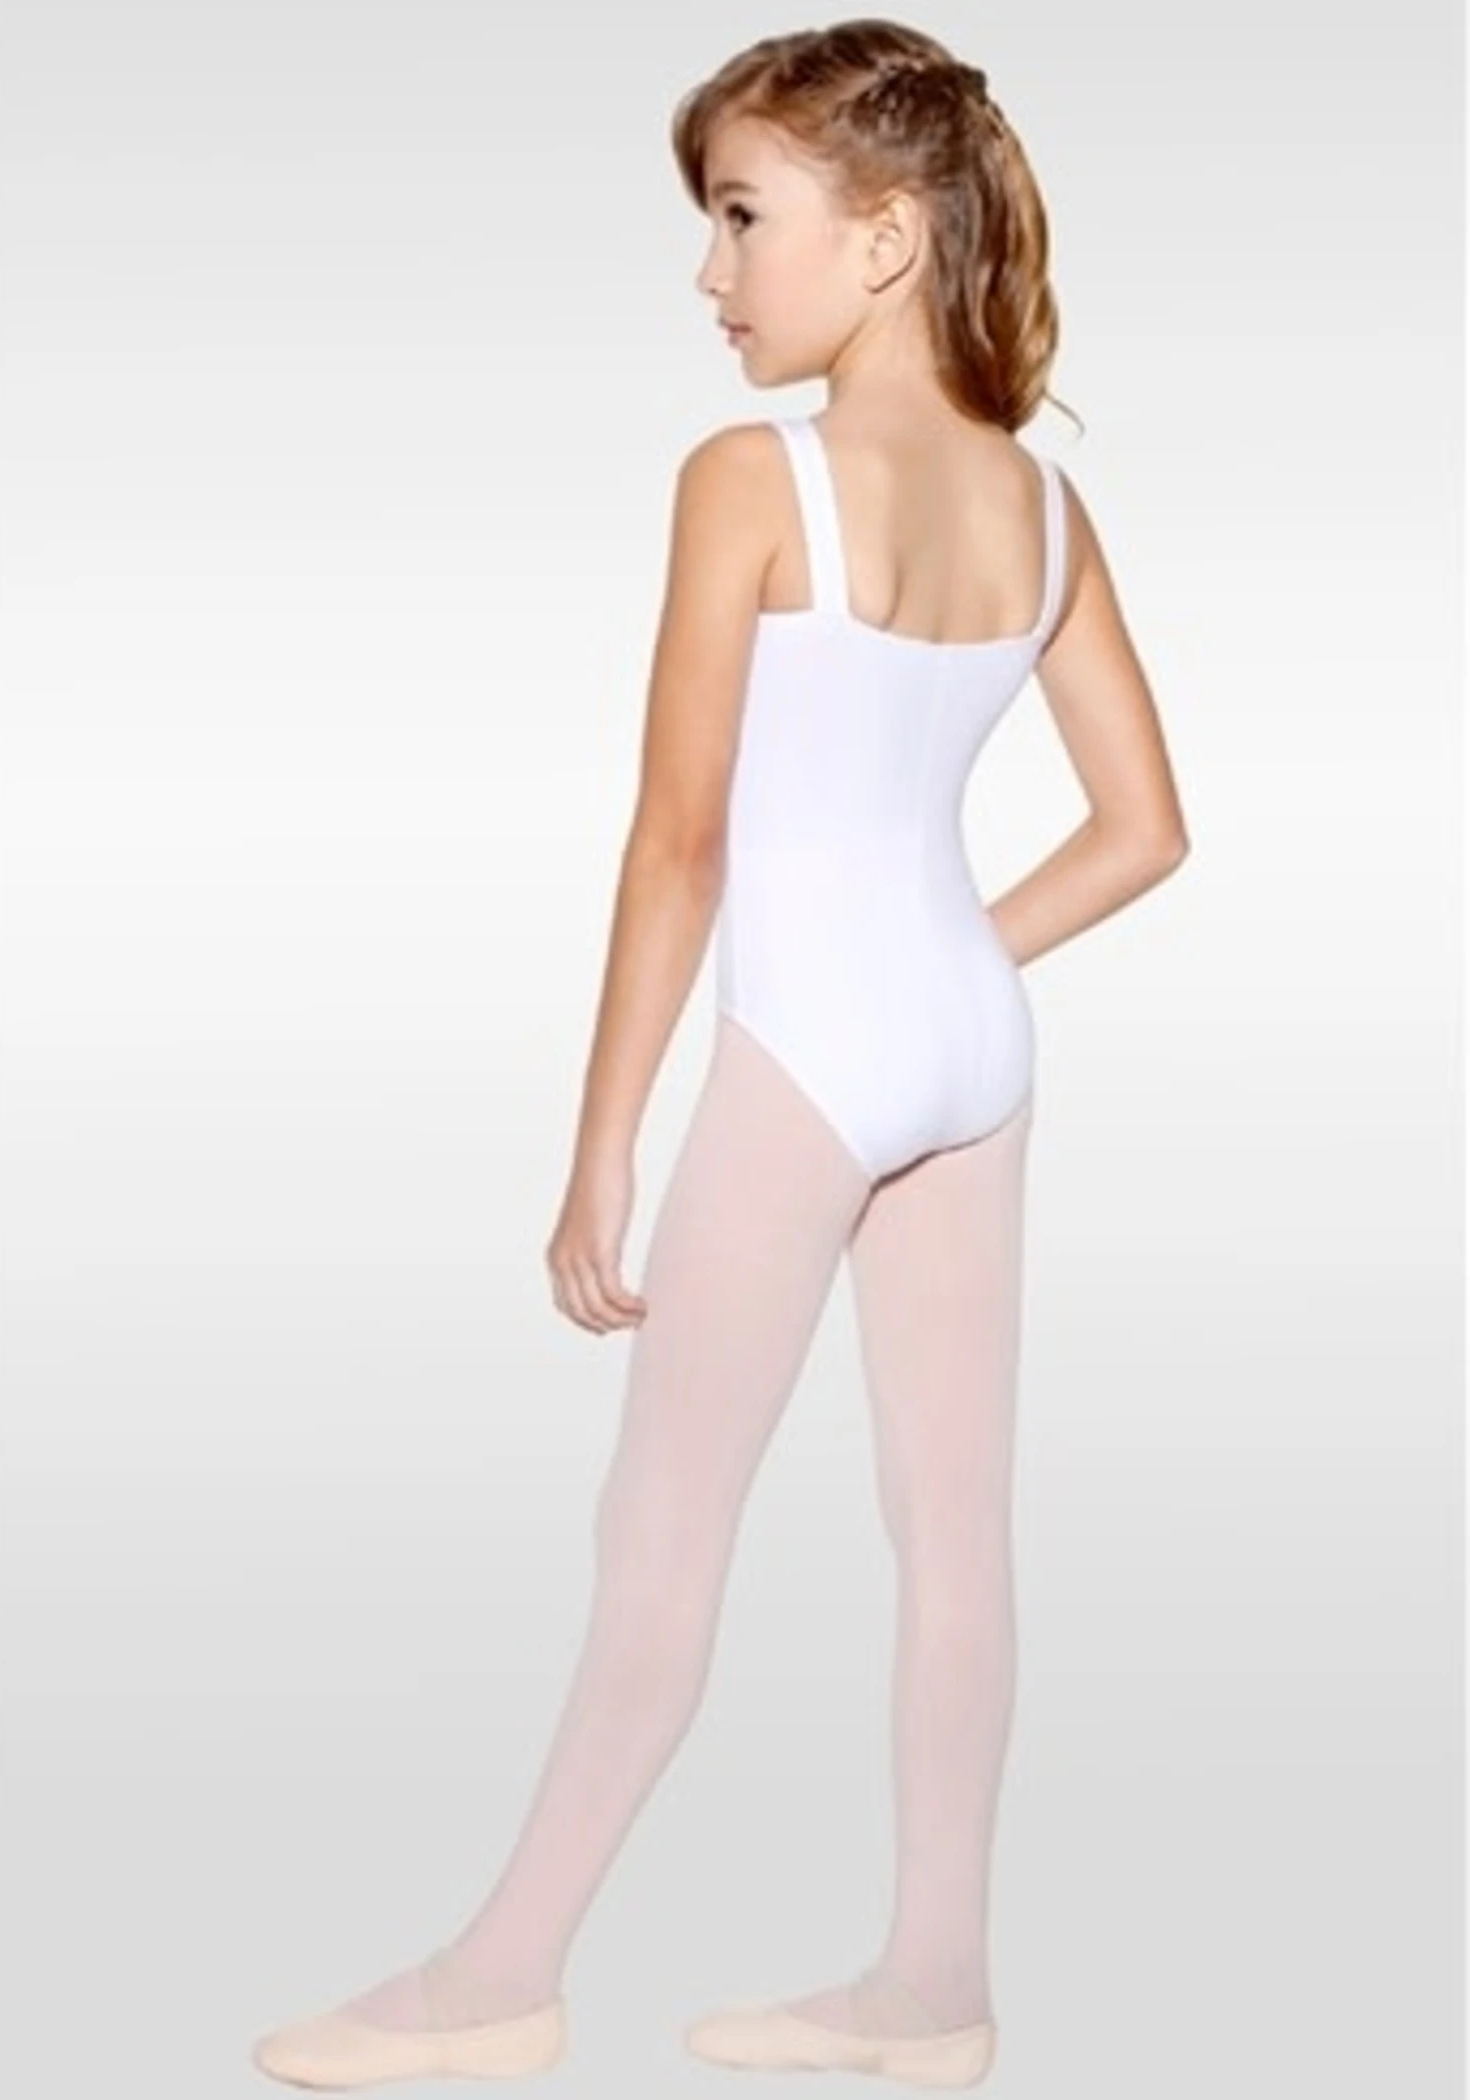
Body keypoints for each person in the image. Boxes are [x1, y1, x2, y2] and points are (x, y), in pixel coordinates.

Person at [250, 16, 1189, 2091]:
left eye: (743, 218)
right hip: (973, 1047)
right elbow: (1145, 830)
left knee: (661, 1533)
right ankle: (935, 1987)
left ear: (887, 238)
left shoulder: (752, 481)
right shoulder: (1044, 508)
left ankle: (500, 1979)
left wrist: (600, 1147)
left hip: (809, 1048)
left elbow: (677, 842)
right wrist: (949, 963)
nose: (710, 271)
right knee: (957, 1541)